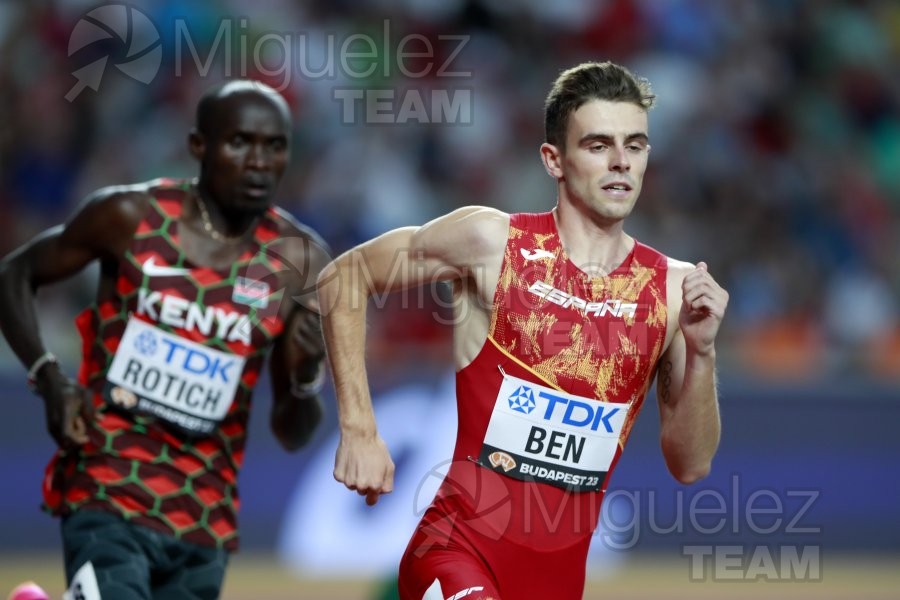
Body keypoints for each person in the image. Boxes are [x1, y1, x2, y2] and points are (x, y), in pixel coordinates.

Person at [317, 61, 728, 599]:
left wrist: (702, 353)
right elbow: (342, 277)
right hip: (454, 550)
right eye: (598, 145)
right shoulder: (491, 243)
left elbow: (691, 465)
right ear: (554, 160)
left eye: (636, 144)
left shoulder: (672, 291)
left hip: (556, 583)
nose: (622, 162)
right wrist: (360, 429)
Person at [0, 80, 330, 600]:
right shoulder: (129, 216)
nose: (259, 161)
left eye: (274, 146)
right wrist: (49, 377)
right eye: (239, 142)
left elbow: (292, 432)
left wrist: (307, 376)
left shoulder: (298, 262)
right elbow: (14, 275)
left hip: (204, 515)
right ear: (199, 146)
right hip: (107, 484)